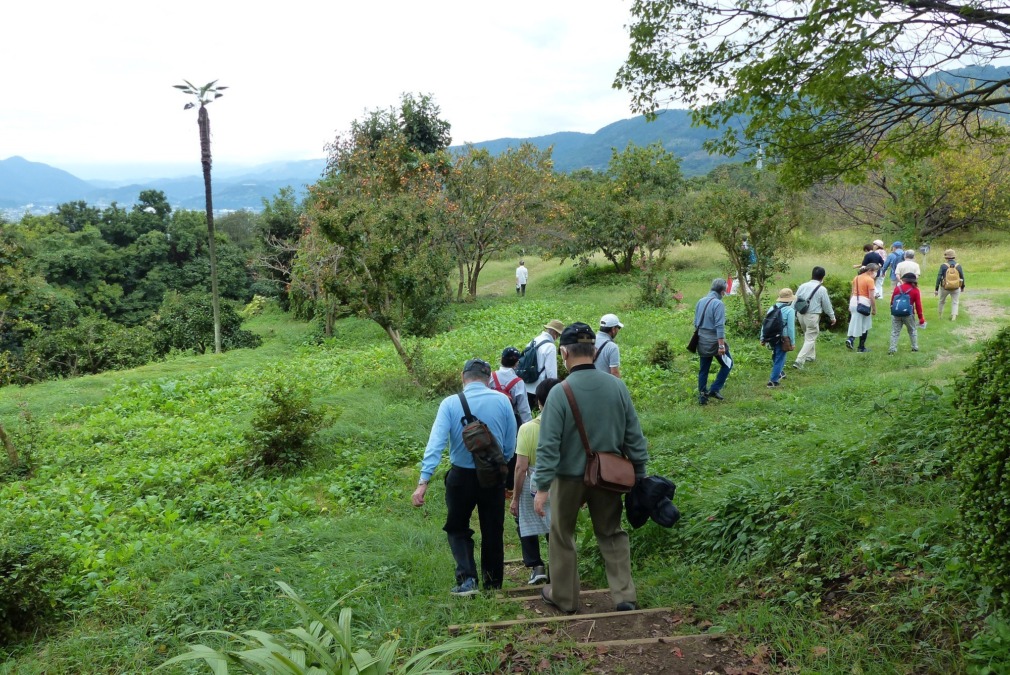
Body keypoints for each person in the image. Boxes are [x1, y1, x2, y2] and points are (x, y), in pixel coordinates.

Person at [533, 323, 649, 614]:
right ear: (595, 351)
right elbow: (633, 435)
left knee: (562, 534)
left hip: (568, 478)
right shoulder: (617, 387)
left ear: (564, 353)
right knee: (611, 532)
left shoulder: (560, 393)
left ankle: (565, 598)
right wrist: (640, 472)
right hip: (609, 475)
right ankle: (624, 596)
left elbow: (548, 445)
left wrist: (542, 487)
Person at [412, 358, 518, 596]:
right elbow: (511, 443)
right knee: (493, 529)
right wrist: (498, 463)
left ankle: (467, 580)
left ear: (463, 377)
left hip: (461, 477)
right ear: (489, 378)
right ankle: (492, 585)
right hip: (492, 476)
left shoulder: (450, 403)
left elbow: (436, 443)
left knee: (457, 527)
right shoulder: (502, 400)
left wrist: (423, 482)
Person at [509, 377, 560, 586]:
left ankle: (536, 566)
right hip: (561, 484)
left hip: (532, 483)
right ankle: (558, 568)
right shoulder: (570, 425)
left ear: (538, 401)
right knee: (556, 525)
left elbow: (521, 467)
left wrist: (514, 498)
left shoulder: (527, 429)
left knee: (525, 521)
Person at [695, 278, 732, 405]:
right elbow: (719, 326)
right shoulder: (718, 304)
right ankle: (714, 389)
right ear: (722, 291)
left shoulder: (700, 301)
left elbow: (696, 322)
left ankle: (702, 396)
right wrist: (721, 345)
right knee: (728, 364)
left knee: (703, 369)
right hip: (714, 341)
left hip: (701, 339)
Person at [792, 267, 836, 369]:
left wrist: (792, 313)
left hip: (800, 314)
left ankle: (811, 356)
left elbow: (795, 300)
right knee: (810, 338)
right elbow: (827, 305)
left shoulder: (802, 286)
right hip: (812, 315)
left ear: (812, 275)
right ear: (823, 277)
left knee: (808, 335)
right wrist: (832, 317)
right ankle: (799, 360)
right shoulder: (822, 289)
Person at [525, 319, 564, 411]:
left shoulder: (533, 341)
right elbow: (551, 372)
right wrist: (554, 390)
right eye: (558, 335)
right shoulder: (550, 346)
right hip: (539, 388)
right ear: (555, 333)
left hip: (526, 384)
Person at [761, 288, 796, 388]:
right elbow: (790, 329)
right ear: (790, 299)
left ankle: (780, 373)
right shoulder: (790, 310)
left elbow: (765, 324)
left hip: (771, 337)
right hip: (783, 338)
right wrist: (792, 342)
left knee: (776, 355)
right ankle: (773, 381)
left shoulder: (772, 308)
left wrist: (762, 338)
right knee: (780, 358)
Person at [889, 272, 925, 354]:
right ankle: (914, 348)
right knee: (912, 330)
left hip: (896, 313)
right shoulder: (915, 290)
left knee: (895, 331)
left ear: (904, 280)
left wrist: (893, 310)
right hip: (909, 314)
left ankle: (892, 349)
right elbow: (918, 305)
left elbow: (892, 301)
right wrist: (921, 318)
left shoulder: (898, 288)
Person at [846, 264, 878, 352]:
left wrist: (849, 304)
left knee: (855, 322)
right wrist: (874, 308)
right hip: (863, 303)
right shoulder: (869, 280)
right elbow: (871, 297)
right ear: (870, 270)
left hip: (854, 301)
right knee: (864, 325)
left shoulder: (857, 277)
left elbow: (852, 292)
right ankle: (860, 346)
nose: (875, 273)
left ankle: (851, 339)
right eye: (875, 271)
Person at [935, 249, 965, 321]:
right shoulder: (958, 266)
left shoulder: (943, 266)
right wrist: (962, 287)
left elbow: (939, 277)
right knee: (955, 302)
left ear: (946, 257)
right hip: (955, 287)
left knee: (941, 301)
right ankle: (954, 317)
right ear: (954, 256)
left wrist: (936, 289)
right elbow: (962, 277)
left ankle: (940, 316)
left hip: (945, 287)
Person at [594, 313, 623, 378]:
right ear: (613, 329)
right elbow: (615, 373)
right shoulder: (612, 347)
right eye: (618, 328)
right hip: (604, 385)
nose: (618, 330)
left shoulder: (590, 340)